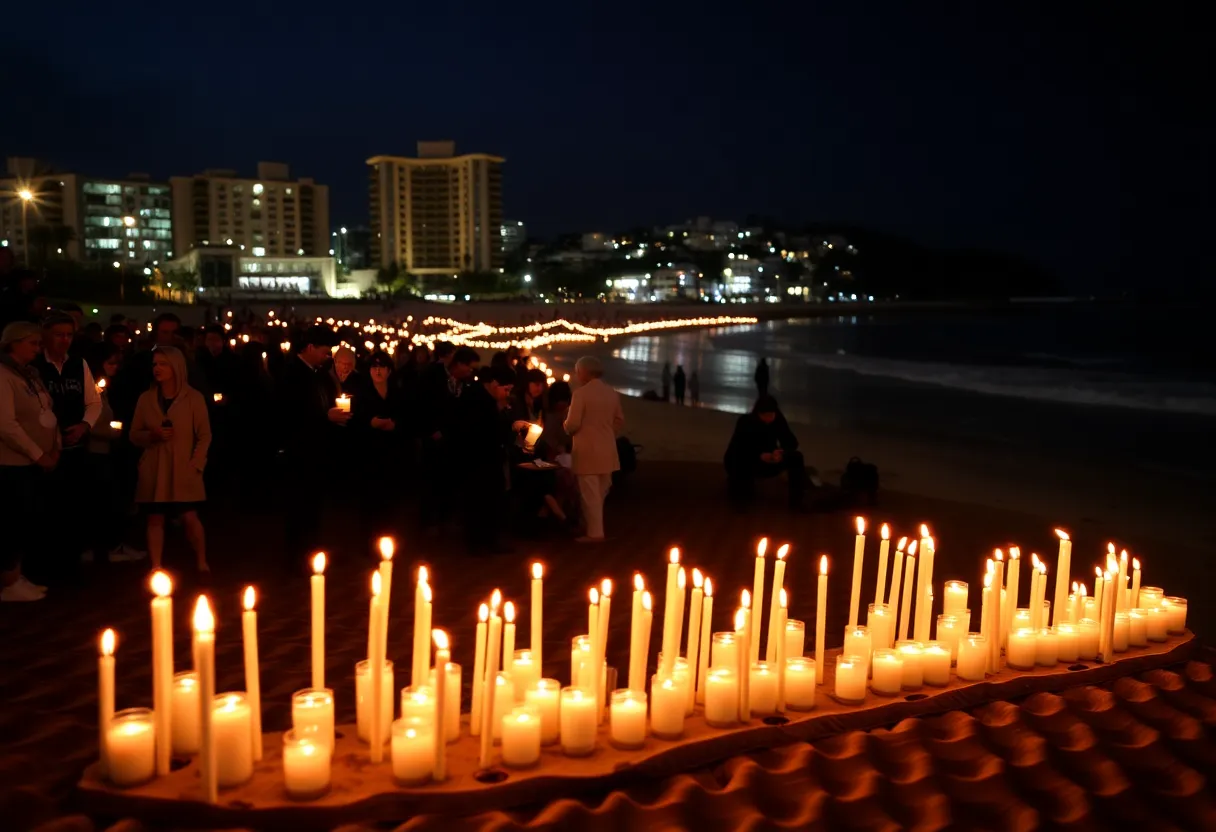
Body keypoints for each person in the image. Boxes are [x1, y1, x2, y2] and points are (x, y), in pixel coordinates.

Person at [33, 311, 102, 580]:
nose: (64, 340)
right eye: (59, 334)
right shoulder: (35, 365)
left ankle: (70, 565)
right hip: (44, 450)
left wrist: (85, 425)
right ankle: (44, 566)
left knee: (73, 508)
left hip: (74, 449)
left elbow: (93, 401)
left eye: (69, 335)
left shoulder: (78, 364)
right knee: (45, 509)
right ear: (45, 335)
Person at [130, 346, 212, 572]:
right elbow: (134, 434)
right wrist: (152, 435)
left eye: (163, 364)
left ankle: (201, 562)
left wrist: (196, 464)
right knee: (155, 518)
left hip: (183, 467)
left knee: (189, 516)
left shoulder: (193, 398)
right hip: (155, 467)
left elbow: (204, 435)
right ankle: (156, 566)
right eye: (155, 364)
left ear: (176, 367)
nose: (157, 368)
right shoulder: (146, 399)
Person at [278, 325, 346, 570]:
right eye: (325, 352)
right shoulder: (291, 374)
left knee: (313, 506)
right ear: (309, 348)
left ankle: (312, 553)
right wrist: (326, 417)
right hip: (299, 452)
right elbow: (290, 415)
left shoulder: (316, 373)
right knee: (298, 507)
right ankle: (295, 558)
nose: (328, 357)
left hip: (317, 451)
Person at [0, 321, 59, 601]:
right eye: (33, 343)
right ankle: (9, 581)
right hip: (12, 463)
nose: (38, 349)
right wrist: (38, 453)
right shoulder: (3, 375)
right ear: (13, 343)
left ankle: (16, 574)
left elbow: (45, 410)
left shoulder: (29, 375)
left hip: (35, 461)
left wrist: (54, 445)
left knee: (27, 518)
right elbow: (6, 424)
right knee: (14, 520)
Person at [85, 342, 146, 563]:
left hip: (104, 451)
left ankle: (107, 546)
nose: (115, 367)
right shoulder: (91, 389)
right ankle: (105, 548)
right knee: (103, 502)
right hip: (95, 453)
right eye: (110, 363)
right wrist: (115, 430)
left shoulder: (103, 387)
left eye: (117, 363)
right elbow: (91, 422)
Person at [450, 364, 517, 554]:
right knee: (478, 500)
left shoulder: (483, 397)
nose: (507, 394)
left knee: (490, 499)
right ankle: (478, 542)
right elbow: (486, 432)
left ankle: (487, 540)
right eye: (506, 389)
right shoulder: (478, 400)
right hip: (477, 459)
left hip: (486, 458)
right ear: (494, 383)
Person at [564, 356, 625, 543]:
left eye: (578, 371)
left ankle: (595, 533)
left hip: (587, 451)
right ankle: (594, 528)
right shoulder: (611, 393)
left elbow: (573, 424)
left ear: (584, 372)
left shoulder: (580, 394)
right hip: (607, 450)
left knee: (590, 495)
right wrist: (607, 433)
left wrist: (565, 425)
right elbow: (619, 420)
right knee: (600, 493)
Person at [353, 351, 407, 549]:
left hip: (392, 452)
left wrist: (396, 425)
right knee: (369, 500)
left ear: (389, 371)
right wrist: (370, 422)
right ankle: (368, 540)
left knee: (389, 499)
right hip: (369, 452)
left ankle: (386, 539)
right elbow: (355, 419)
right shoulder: (361, 392)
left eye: (381, 367)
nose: (377, 370)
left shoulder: (397, 392)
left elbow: (406, 416)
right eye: (374, 367)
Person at [724, 395, 806, 509]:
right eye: (765, 415)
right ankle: (737, 485)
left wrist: (780, 452)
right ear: (758, 413)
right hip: (747, 460)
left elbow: (792, 443)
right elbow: (739, 449)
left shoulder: (778, 420)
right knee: (743, 498)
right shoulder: (745, 422)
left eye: (771, 415)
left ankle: (796, 502)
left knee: (796, 457)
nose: (768, 418)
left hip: (771, 459)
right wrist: (760, 456)